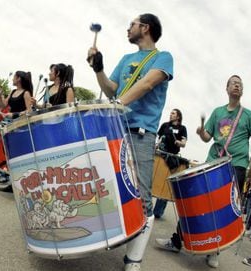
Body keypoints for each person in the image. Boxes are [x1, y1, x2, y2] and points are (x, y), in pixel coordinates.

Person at [87, 13, 173, 271]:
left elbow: (147, 84)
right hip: (115, 129)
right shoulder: (126, 59)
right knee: (107, 186)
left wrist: (115, 104)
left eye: (132, 25)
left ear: (145, 28)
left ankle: (133, 260)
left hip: (141, 133)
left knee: (142, 196)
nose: (128, 29)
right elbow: (112, 88)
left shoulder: (163, 57)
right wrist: (98, 68)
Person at [156, 75, 251, 268]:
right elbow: (207, 137)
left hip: (235, 164)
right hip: (213, 161)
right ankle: (177, 241)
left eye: (240, 84)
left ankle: (215, 250)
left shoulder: (248, 115)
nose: (237, 85)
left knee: (223, 209)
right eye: (234, 83)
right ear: (227, 88)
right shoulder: (218, 112)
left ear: (242, 90)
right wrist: (201, 132)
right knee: (196, 202)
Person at [0, 70, 33, 193]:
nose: (12, 79)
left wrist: (14, 114)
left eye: (14, 77)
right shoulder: (12, 92)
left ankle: (16, 184)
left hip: (19, 126)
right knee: (8, 153)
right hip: (10, 125)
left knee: (16, 155)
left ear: (18, 79)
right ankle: (11, 182)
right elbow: (3, 105)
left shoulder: (26, 93)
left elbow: (29, 111)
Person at [153, 109, 187, 218]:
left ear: (178, 117)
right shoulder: (165, 125)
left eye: (173, 113)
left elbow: (184, 143)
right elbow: (158, 139)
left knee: (165, 184)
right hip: (161, 154)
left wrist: (179, 143)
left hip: (172, 157)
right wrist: (156, 146)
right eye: (170, 113)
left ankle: (158, 212)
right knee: (154, 180)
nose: (170, 114)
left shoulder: (182, 128)